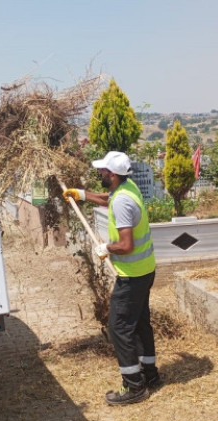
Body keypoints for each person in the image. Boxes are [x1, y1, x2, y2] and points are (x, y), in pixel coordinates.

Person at [63, 151, 160, 406]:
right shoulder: (127, 188)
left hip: (132, 276)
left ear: (113, 174)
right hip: (145, 270)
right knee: (140, 323)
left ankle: (134, 386)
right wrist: (82, 195)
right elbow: (109, 198)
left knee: (119, 329)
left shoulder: (122, 202)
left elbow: (126, 244)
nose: (100, 174)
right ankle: (149, 374)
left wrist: (107, 247)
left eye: (103, 171)